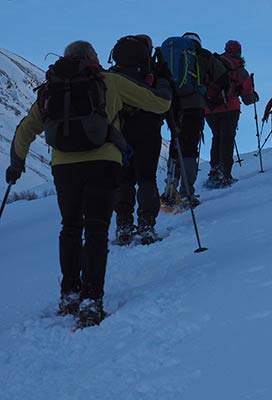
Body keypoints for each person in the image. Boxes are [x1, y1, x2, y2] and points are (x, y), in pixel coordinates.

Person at [5, 40, 172, 328]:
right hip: (103, 162)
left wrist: (16, 166)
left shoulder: (50, 89)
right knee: (96, 230)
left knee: (70, 227)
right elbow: (158, 104)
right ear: (93, 58)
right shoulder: (111, 82)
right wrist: (166, 85)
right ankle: (91, 300)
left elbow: (25, 129)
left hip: (63, 166)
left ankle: (69, 294)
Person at [109, 34, 165, 245]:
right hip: (148, 130)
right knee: (146, 178)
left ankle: (123, 224)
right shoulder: (155, 72)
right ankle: (146, 224)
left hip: (120, 132)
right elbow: (166, 99)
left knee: (124, 179)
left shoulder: (114, 74)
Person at [162, 32, 229, 207]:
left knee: (175, 142)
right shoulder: (204, 55)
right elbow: (223, 78)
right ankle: (186, 193)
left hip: (172, 105)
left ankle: (170, 189)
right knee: (190, 147)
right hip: (195, 104)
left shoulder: (171, 53)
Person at [204, 40, 258, 188]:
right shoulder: (239, 69)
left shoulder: (213, 64)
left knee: (217, 138)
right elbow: (247, 98)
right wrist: (254, 96)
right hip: (230, 108)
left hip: (209, 109)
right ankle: (225, 175)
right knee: (227, 140)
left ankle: (214, 172)